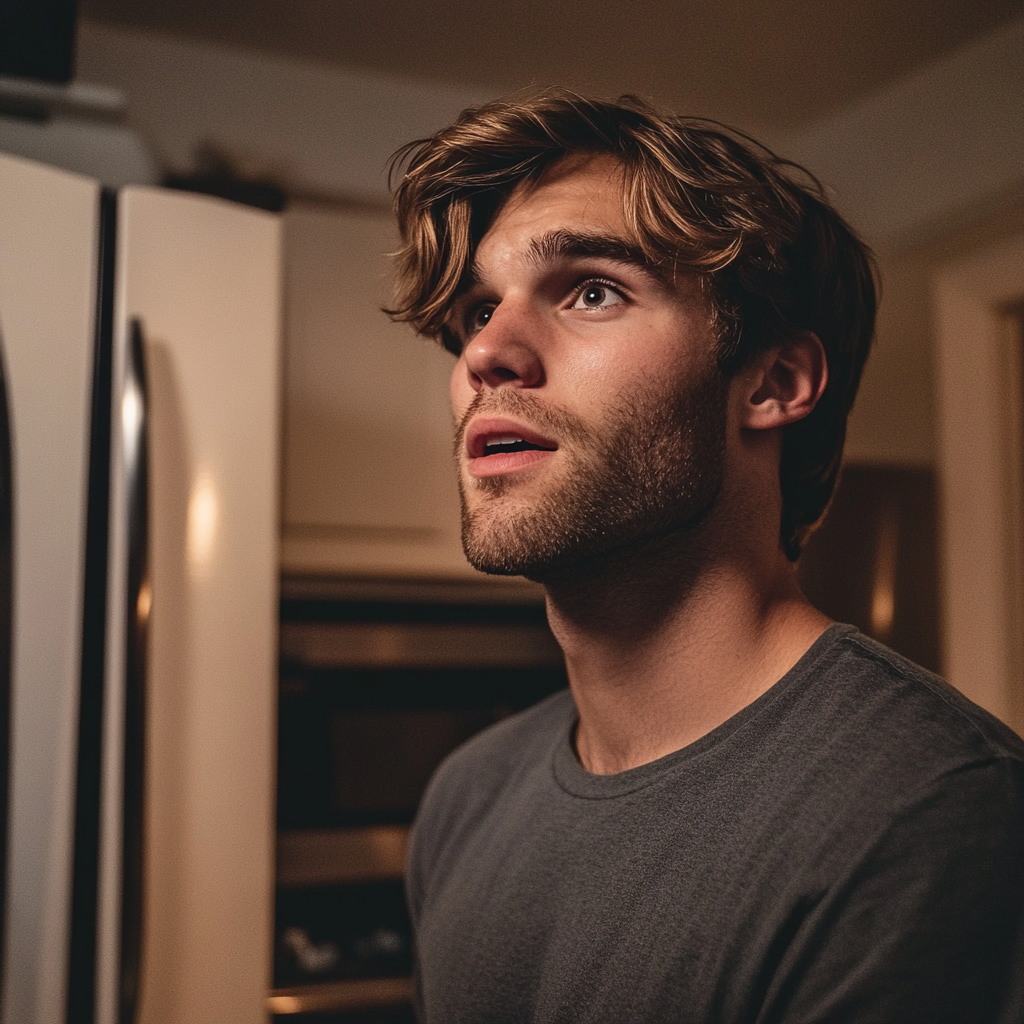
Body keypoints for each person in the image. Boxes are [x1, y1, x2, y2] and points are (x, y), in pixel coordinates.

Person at [386, 91, 1024, 1023]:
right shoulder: (468, 796)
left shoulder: (929, 814)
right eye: (481, 307)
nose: (486, 350)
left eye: (592, 290)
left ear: (771, 382)